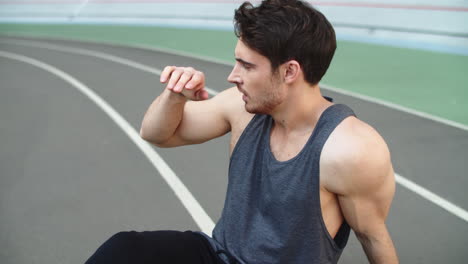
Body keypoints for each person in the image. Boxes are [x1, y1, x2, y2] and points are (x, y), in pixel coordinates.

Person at [86, 0, 398, 263]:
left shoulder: (350, 149)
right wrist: (176, 94)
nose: (233, 76)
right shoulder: (241, 107)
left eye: (246, 66)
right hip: (220, 253)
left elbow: (373, 238)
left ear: (290, 71)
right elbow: (156, 134)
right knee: (125, 250)